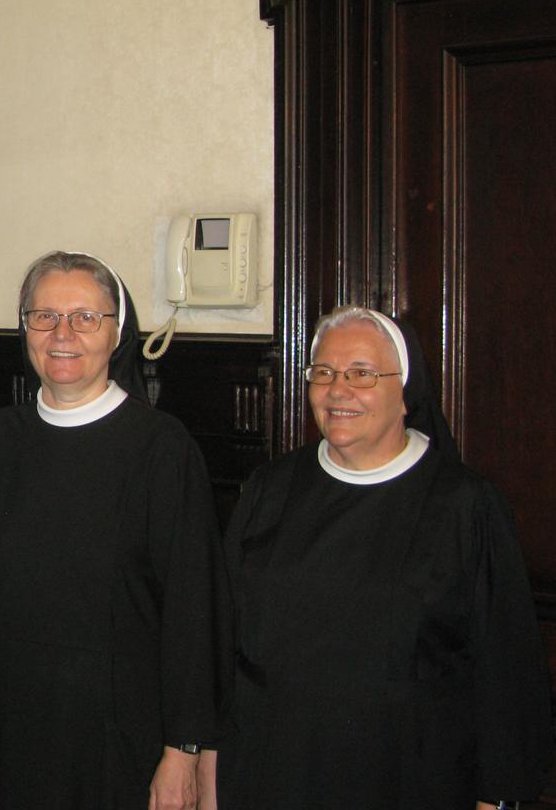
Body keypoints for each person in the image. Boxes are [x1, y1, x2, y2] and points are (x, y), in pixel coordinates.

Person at [217, 306, 552, 810]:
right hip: (272, 774)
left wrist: (499, 794)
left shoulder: (464, 505)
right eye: (324, 372)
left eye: (362, 374)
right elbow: (223, 639)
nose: (338, 390)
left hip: (409, 777)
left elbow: (505, 666)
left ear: (405, 393)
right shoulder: (271, 489)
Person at [0, 251, 227, 810]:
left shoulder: (161, 449)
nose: (62, 334)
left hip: (119, 727)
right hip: (5, 717)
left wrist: (183, 748)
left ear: (116, 332)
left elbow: (194, 608)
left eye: (85, 317)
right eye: (44, 316)